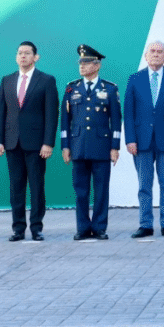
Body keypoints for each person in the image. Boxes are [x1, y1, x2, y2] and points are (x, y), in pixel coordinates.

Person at [0, 41, 58, 242]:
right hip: (12, 143)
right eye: (20, 53)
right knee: (16, 187)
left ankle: (37, 228)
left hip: (37, 144)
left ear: (35, 57)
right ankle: (18, 228)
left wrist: (48, 143)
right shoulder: (7, 80)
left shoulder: (46, 80)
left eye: (27, 53)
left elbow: (51, 114)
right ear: (16, 57)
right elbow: (0, 114)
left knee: (37, 186)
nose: (23, 56)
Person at [124, 41, 164, 238]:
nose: (156, 55)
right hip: (141, 141)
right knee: (144, 185)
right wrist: (130, 139)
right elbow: (129, 112)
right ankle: (145, 224)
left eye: (160, 52)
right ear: (146, 55)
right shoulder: (134, 79)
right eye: (153, 51)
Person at [61, 45, 121, 240]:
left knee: (101, 190)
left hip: (102, 147)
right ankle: (83, 228)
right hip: (78, 147)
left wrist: (115, 147)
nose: (82, 66)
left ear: (97, 65)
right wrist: (65, 146)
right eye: (80, 62)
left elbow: (116, 121)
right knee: (80, 191)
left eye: (86, 62)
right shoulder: (72, 88)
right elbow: (65, 121)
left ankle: (100, 227)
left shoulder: (110, 89)